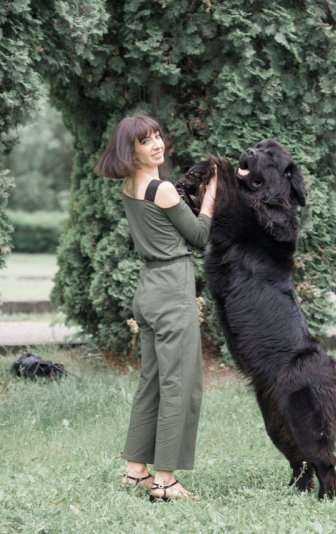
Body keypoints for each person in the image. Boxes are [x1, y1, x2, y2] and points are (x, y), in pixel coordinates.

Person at [94, 114, 217, 502]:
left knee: (151, 383)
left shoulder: (131, 186)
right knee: (181, 386)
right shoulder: (160, 188)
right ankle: (165, 480)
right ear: (131, 150)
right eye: (145, 141)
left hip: (148, 289)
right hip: (171, 288)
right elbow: (198, 235)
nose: (156, 144)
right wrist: (212, 196)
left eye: (158, 136)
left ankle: (135, 471)